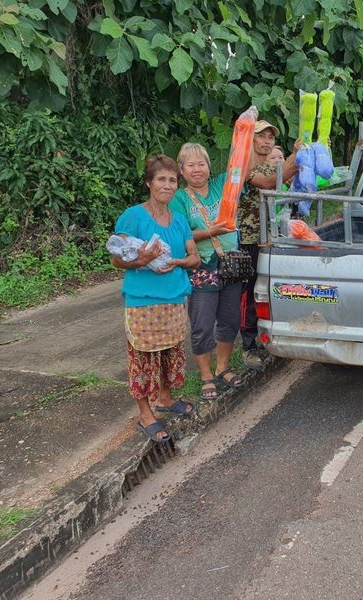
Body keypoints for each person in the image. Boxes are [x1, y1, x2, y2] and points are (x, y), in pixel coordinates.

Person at [111, 154, 201, 443]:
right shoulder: (133, 216)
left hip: (174, 298)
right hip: (143, 301)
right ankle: (145, 413)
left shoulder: (179, 220)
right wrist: (143, 260)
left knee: (169, 353)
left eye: (172, 180)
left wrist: (178, 262)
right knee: (143, 358)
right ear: (149, 183)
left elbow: (194, 258)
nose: (167, 185)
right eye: (161, 179)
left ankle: (165, 397)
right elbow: (117, 259)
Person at [170, 143, 247, 400]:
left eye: (201, 164)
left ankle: (222, 367)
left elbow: (243, 166)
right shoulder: (179, 199)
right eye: (190, 165)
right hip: (203, 266)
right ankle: (205, 375)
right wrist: (211, 232)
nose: (197, 169)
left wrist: (249, 137)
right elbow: (180, 234)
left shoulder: (221, 185)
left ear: (209, 166)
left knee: (230, 319)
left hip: (231, 264)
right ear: (182, 170)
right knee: (202, 323)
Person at [237, 121, 301, 368]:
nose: (267, 141)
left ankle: (269, 335)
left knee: (269, 289)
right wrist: (295, 157)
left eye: (270, 137)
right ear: (250, 140)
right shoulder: (246, 166)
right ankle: (248, 345)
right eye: (261, 136)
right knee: (250, 291)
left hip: (271, 236)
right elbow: (267, 183)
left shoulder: (271, 165)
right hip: (249, 238)